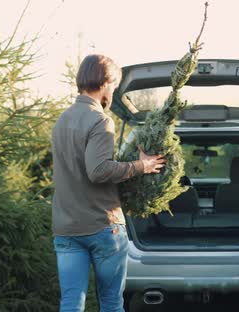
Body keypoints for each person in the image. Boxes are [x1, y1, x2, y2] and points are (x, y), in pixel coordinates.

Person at [51, 54, 166, 312]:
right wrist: (142, 166)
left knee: (71, 302)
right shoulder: (100, 120)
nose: (113, 90)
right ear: (105, 82)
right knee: (112, 302)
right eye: (114, 85)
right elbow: (98, 171)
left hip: (67, 229)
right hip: (102, 228)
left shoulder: (61, 121)